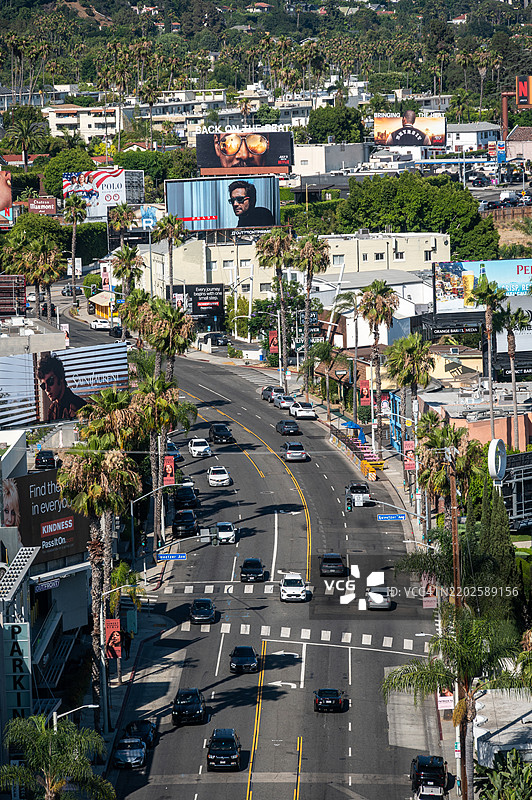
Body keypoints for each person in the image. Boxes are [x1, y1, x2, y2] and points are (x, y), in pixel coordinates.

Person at [37, 354, 87, 422]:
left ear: (60, 378)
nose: (47, 389)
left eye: (50, 382)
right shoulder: (52, 410)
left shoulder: (78, 408)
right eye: (43, 385)